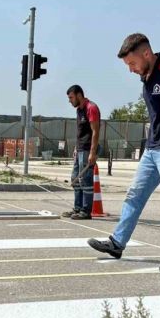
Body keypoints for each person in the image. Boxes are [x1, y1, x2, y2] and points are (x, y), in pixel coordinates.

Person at [88, 33, 160, 274]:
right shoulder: (147, 77)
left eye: (132, 63)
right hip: (152, 150)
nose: (130, 70)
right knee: (134, 196)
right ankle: (117, 243)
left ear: (146, 54)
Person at [62, 85, 101, 220]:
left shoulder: (91, 108)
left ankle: (86, 210)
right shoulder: (79, 110)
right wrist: (75, 148)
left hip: (87, 149)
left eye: (71, 97)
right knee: (75, 179)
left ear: (79, 95)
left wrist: (92, 152)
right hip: (79, 148)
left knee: (86, 180)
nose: (70, 101)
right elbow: (80, 132)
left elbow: (95, 132)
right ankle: (77, 208)